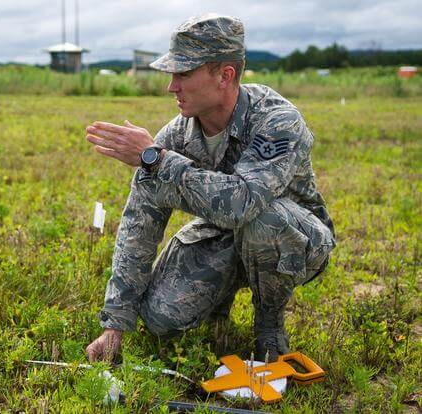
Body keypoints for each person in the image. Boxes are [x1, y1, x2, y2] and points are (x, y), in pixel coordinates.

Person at [84, 14, 335, 363]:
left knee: (263, 221)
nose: (171, 87)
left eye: (183, 74)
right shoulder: (174, 136)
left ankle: (269, 326)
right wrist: (115, 325)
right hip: (223, 235)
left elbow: (243, 203)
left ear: (225, 76)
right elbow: (138, 228)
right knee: (160, 320)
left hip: (294, 238)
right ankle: (219, 304)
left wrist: (157, 161)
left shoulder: (277, 119)